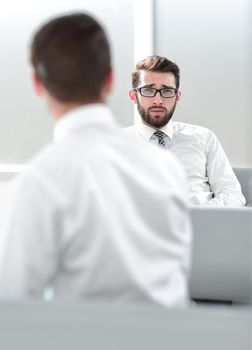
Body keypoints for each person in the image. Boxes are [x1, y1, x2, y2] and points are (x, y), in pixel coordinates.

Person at [0, 14, 192, 307]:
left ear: (38, 83)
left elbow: (14, 308)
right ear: (110, 79)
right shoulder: (167, 169)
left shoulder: (40, 182)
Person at [125, 55, 245, 207]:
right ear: (133, 96)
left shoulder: (203, 137)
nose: (158, 100)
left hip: (202, 225)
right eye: (148, 90)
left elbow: (233, 195)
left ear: (177, 96)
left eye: (167, 91)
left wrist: (198, 215)